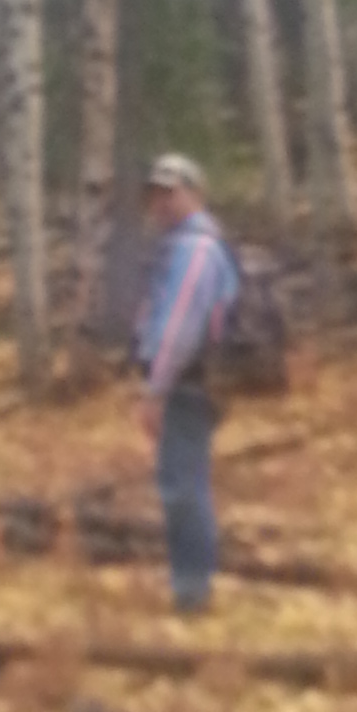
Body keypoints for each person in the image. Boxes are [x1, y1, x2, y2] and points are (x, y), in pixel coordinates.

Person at [133, 152, 239, 616]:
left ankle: (192, 593)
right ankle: (191, 584)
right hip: (190, 381)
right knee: (182, 482)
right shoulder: (184, 247)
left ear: (196, 193)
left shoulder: (193, 252)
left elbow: (179, 328)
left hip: (189, 383)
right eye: (155, 194)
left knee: (182, 489)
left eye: (170, 192)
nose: (161, 203)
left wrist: (156, 389)